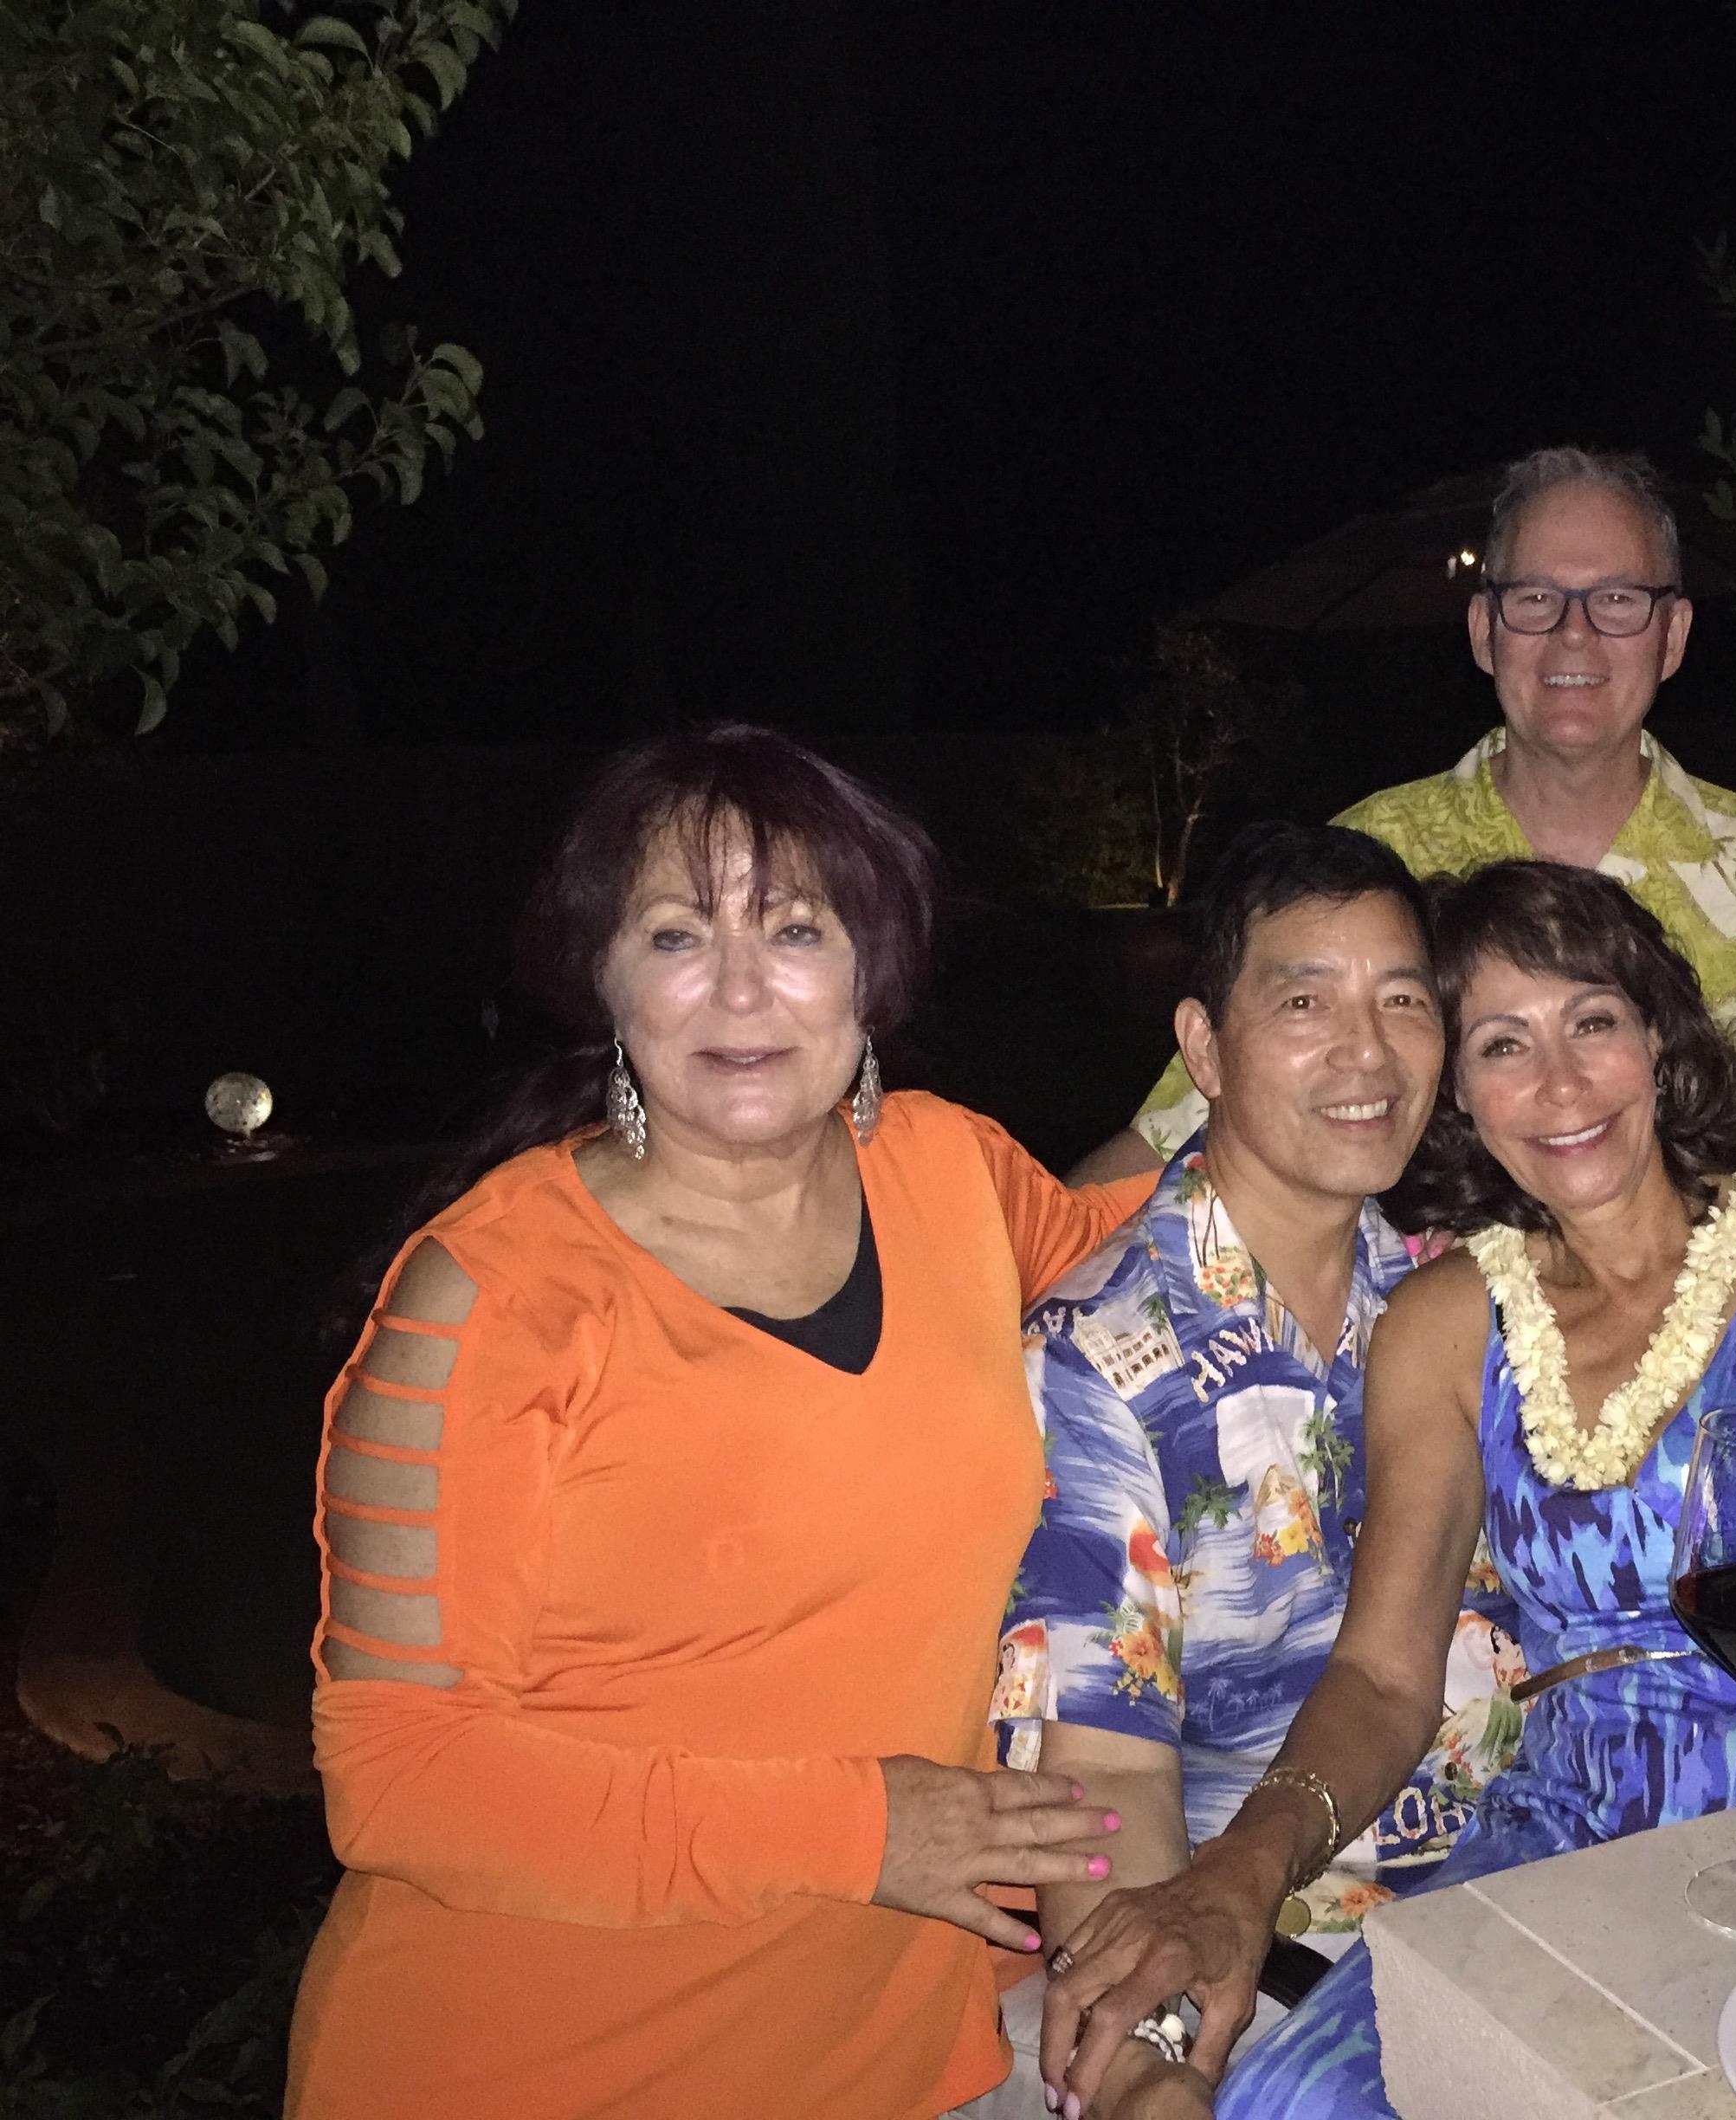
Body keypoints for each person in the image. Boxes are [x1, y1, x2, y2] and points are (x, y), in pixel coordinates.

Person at [287, 727, 1150, 2120]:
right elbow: (401, 1782)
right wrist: (863, 1829)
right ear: (608, 981)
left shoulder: (951, 1174)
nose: (741, 987)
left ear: (871, 971)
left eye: (797, 929)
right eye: (679, 934)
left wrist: (1285, 1063)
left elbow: (1138, 1244)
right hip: (536, 2068)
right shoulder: (489, 1301)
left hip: (895, 2055)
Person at [1036, 860, 1736, 2120]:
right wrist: (1240, 1874)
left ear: (1656, 1035)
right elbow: (1383, 1672)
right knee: (1298, 2102)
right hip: (1558, 1829)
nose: (1559, 1084)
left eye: (1592, 1021)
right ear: (1463, 1096)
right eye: (1501, 1043)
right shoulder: (1447, 1319)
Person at [1072, 446, 1736, 1186]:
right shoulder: (1375, 860)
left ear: (1672, 636)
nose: (1575, 636)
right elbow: (1180, 1135)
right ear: (1484, 631)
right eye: (1536, 599)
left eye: (1618, 599)